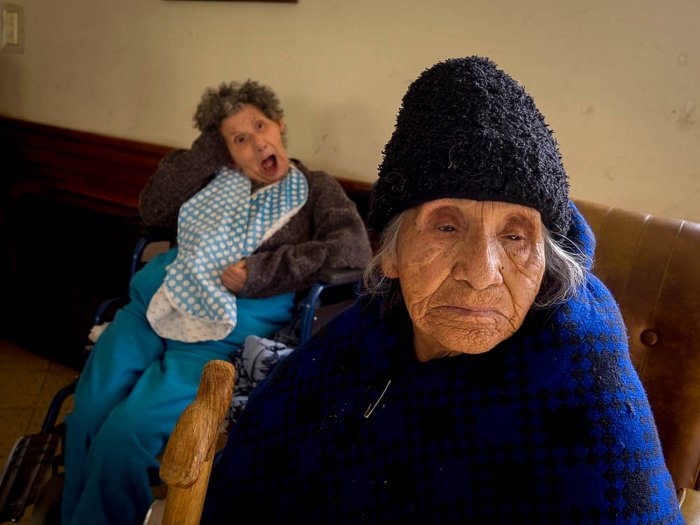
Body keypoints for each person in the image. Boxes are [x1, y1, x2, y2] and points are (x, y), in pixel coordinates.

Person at [201, 57, 684, 523]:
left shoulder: (584, 384)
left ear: (545, 265)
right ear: (389, 254)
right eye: (446, 228)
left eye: (515, 236)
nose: (480, 272)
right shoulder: (366, 330)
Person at [60, 79, 372, 525]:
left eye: (260, 126)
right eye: (239, 139)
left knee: (127, 433)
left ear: (280, 124)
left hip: (224, 328)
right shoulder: (212, 179)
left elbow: (352, 250)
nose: (257, 142)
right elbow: (152, 209)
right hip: (151, 306)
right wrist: (214, 147)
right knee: (88, 411)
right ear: (224, 151)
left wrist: (261, 272)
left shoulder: (315, 187)